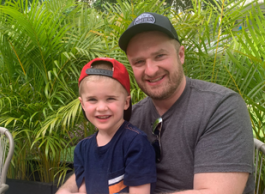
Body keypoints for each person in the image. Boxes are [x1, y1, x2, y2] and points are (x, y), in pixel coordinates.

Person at [56, 12, 254, 194]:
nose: (150, 70)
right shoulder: (132, 115)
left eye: (159, 56)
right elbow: (98, 162)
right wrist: (66, 189)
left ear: (181, 55)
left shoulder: (219, 107)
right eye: (139, 62)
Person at [73, 57, 156, 194]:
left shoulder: (136, 143)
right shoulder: (82, 149)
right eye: (92, 99)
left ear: (126, 102)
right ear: (82, 104)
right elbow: (83, 190)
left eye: (110, 98)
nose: (101, 108)